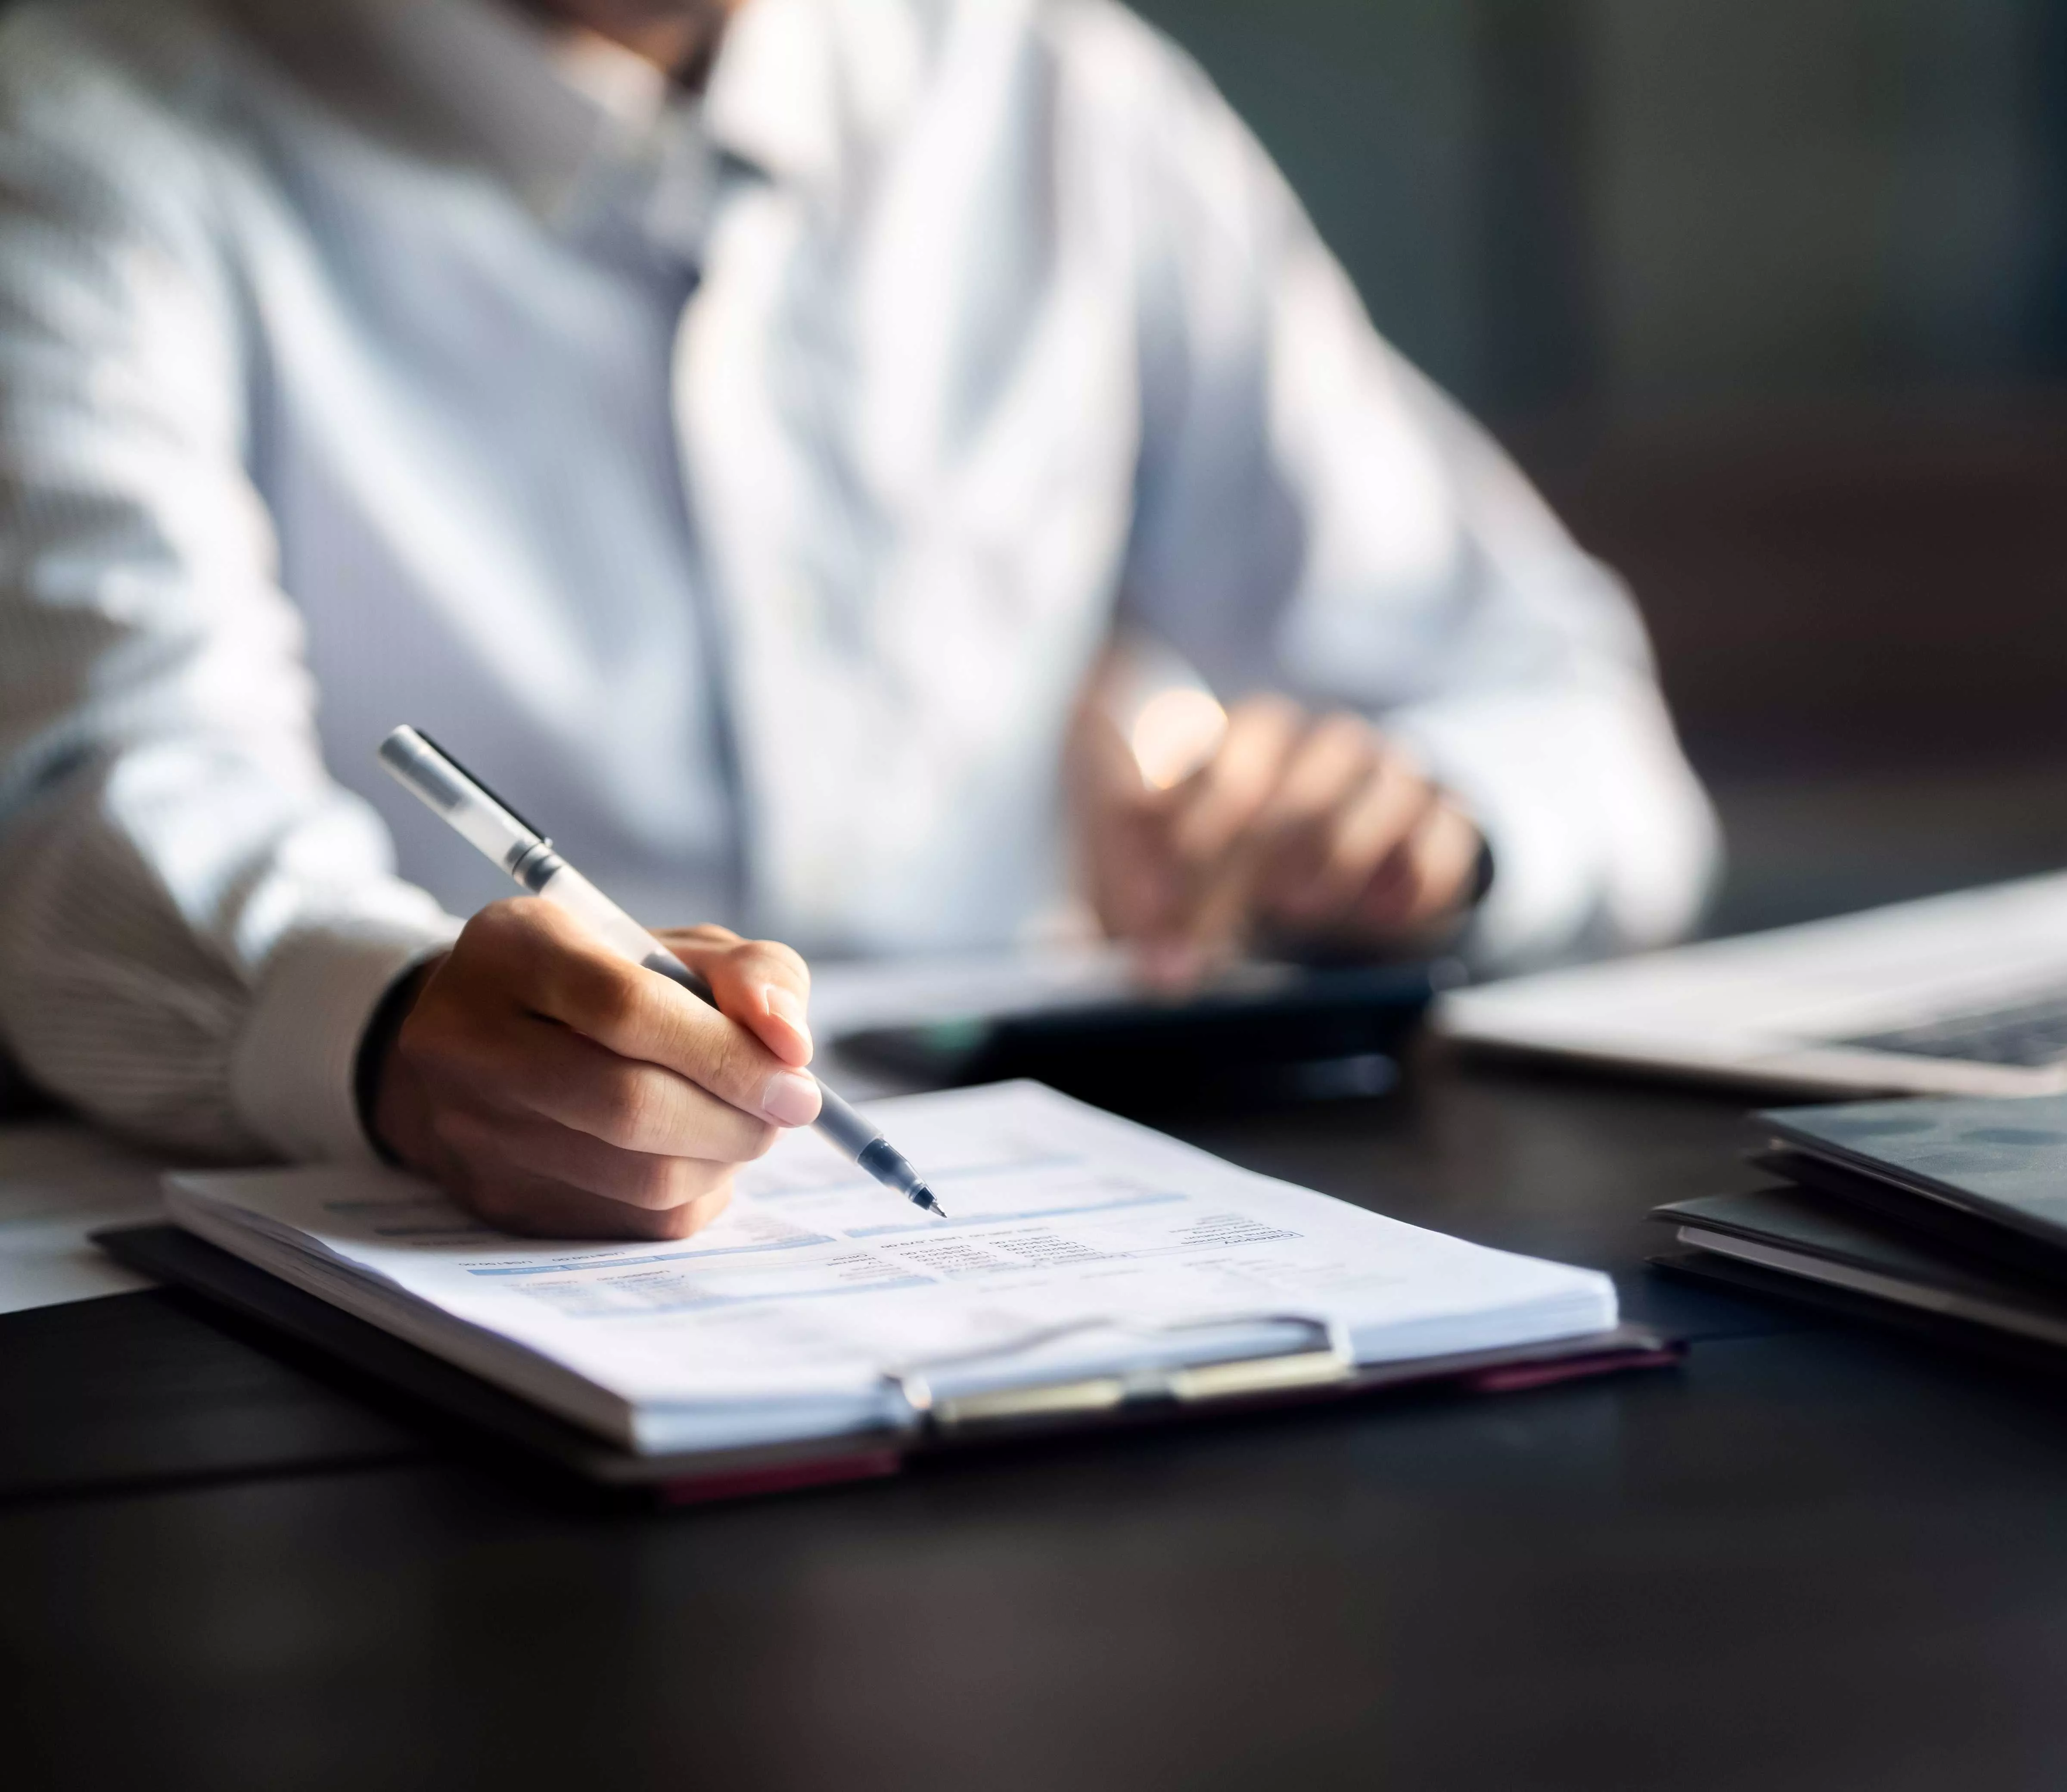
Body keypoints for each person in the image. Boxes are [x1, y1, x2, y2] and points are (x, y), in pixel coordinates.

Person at [0, 0, 1719, 1237]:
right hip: (386, 1290)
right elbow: (93, 792)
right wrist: (381, 1027)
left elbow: (1564, 709)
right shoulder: (83, 123)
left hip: (1062, 1235)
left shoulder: (1060, 95)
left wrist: (1436, 827)